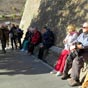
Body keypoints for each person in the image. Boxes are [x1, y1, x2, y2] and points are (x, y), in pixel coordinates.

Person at [61, 22, 88, 87]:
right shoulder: (82, 34)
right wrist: (73, 45)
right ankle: (65, 73)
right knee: (69, 57)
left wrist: (76, 46)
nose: (82, 28)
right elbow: (76, 41)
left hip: (86, 52)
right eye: (82, 27)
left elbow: (85, 45)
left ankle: (75, 80)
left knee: (76, 61)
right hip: (79, 50)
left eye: (84, 27)